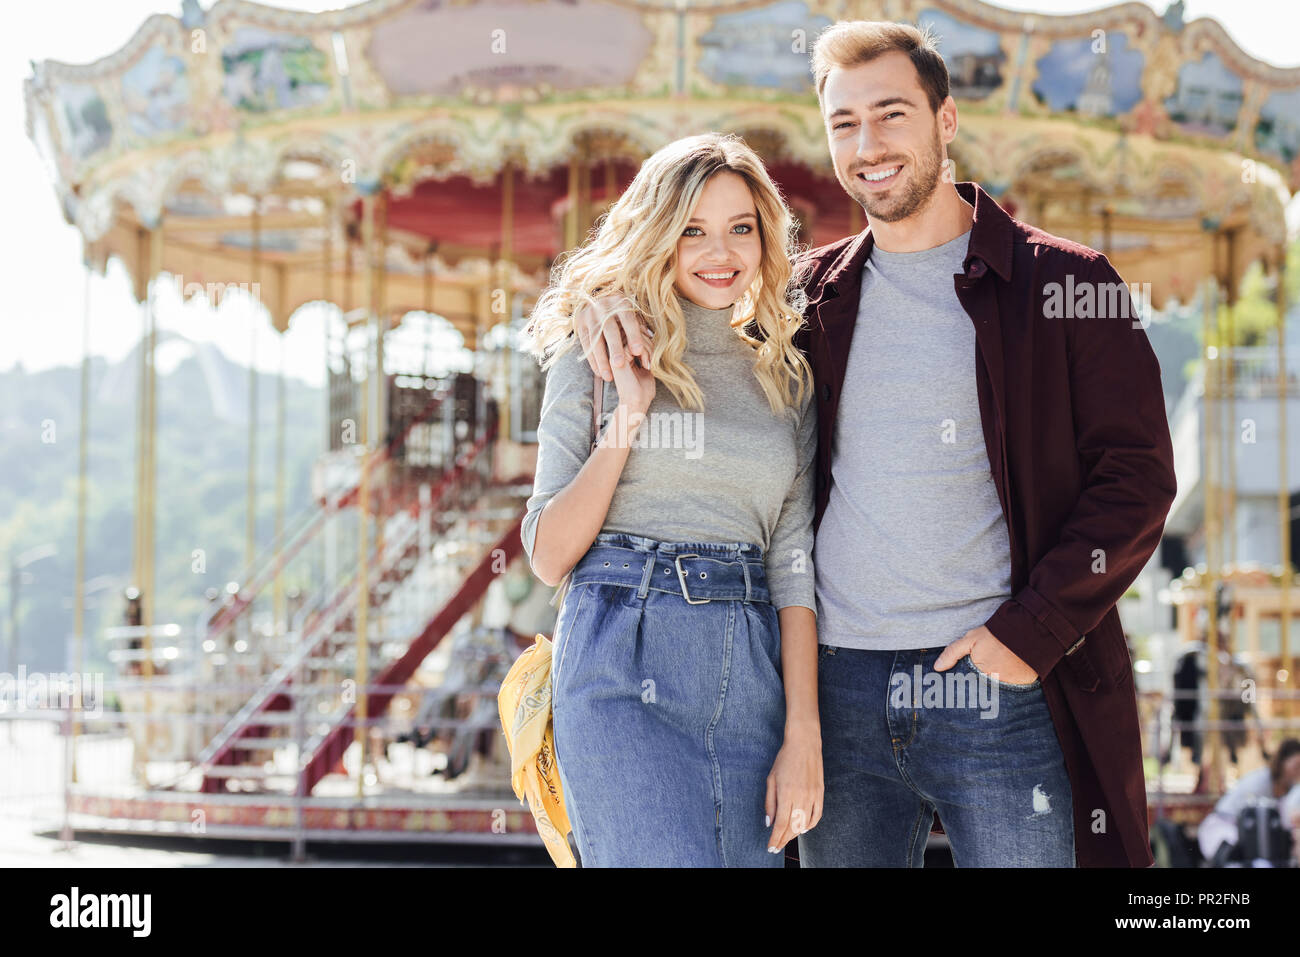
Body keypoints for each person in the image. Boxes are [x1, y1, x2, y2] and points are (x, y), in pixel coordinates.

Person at [573, 21, 1176, 867]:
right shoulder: (808, 298)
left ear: (946, 120)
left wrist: (1030, 631)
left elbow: (1138, 482)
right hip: (839, 694)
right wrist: (599, 304)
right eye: (845, 123)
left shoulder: (1066, 285)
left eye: (891, 114)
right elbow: (684, 301)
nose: (869, 145)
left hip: (996, 683)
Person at [521, 133, 823, 866]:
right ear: (659, 232)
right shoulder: (591, 349)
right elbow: (549, 553)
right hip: (622, 652)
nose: (719, 251)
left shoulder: (787, 379)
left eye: (739, 228)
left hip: (750, 666)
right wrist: (629, 408)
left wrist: (803, 733)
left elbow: (793, 570)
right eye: (692, 229)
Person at [1197, 738, 1300, 862]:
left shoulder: (1290, 788)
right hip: (1223, 829)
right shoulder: (1260, 782)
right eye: (1296, 766)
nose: (1298, 771)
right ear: (1282, 763)